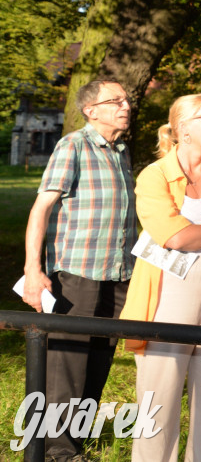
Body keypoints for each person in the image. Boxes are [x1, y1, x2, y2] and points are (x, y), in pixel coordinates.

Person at [120, 93, 201, 462]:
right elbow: (173, 237)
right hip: (166, 298)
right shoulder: (154, 175)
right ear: (184, 128)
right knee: (159, 396)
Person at [21, 79, 138, 462]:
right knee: (67, 360)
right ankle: (56, 449)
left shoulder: (120, 151)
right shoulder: (74, 145)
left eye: (125, 99)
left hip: (117, 272)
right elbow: (41, 209)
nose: (125, 105)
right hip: (76, 270)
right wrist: (33, 270)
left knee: (101, 356)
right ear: (92, 110)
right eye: (115, 100)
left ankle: (76, 437)